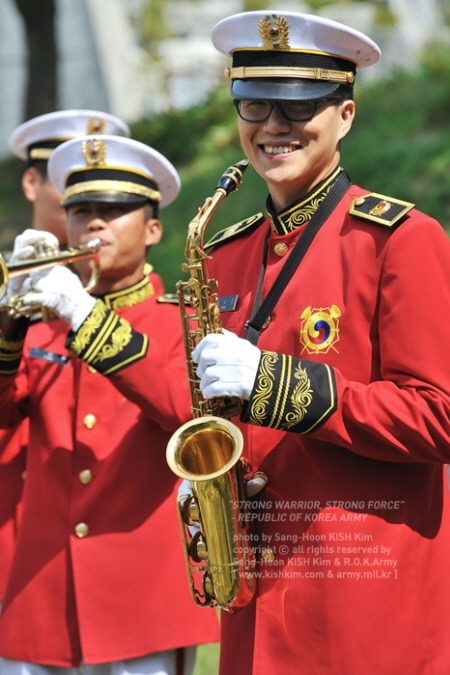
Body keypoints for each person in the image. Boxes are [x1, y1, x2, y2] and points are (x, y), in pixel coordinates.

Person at [190, 10, 450, 674]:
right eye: (255, 103)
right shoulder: (225, 252)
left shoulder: (401, 239)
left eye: (299, 105)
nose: (274, 125)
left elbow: (438, 416)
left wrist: (273, 384)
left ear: (346, 115)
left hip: (366, 608)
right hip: (255, 597)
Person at [0, 134, 219, 674]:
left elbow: (184, 415)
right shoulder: (43, 323)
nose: (94, 225)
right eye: (81, 212)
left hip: (138, 602)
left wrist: (83, 315)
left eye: (114, 212)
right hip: (41, 599)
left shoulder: (183, 323)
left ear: (152, 229)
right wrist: (8, 321)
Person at [0, 109, 134, 609]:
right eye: (68, 179)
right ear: (33, 183)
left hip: (91, 545)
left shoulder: (133, 298)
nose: (86, 195)